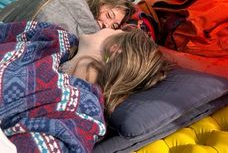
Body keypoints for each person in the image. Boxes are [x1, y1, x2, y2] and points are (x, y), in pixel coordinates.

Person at [0, 20, 169, 152]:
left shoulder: (80, 113)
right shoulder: (55, 36)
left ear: (115, 48)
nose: (105, 27)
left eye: (116, 28)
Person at [60, 26, 169, 116]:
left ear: (115, 49)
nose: (107, 27)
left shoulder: (79, 110)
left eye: (115, 30)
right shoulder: (57, 43)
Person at [0, 0, 135, 36]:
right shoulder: (73, 2)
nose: (108, 25)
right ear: (100, 2)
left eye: (114, 26)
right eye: (109, 15)